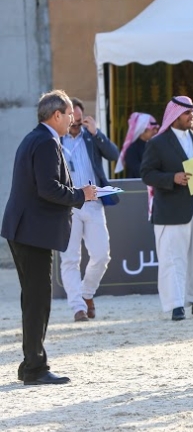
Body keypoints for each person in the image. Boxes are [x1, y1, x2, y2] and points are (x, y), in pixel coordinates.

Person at [2, 90, 97, 385]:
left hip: (26, 230)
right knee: (37, 300)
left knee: (33, 298)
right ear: (56, 115)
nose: (72, 119)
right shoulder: (45, 142)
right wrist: (82, 194)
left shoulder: (36, 138)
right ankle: (35, 368)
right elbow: (48, 188)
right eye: (69, 114)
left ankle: (29, 362)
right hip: (32, 233)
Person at [140, 96, 193, 321]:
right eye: (187, 113)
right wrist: (172, 178)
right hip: (171, 209)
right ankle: (176, 305)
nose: (192, 117)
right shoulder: (157, 143)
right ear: (175, 115)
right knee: (173, 258)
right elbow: (147, 174)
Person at [60, 97, 120, 322]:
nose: (75, 124)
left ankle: (86, 294)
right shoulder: (56, 140)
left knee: (102, 255)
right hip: (67, 206)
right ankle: (77, 308)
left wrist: (97, 133)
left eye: (78, 120)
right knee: (70, 259)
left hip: (93, 203)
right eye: (72, 120)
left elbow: (114, 155)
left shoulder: (91, 137)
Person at [116, 112, 159, 178]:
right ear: (142, 130)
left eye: (156, 129)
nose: (156, 132)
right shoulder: (132, 149)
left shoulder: (156, 146)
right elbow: (138, 171)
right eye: (153, 129)